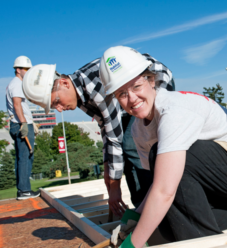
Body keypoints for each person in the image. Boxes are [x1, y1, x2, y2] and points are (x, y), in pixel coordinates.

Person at [99, 46, 227, 247]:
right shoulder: (138, 130)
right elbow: (158, 186)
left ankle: (206, 243)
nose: (132, 99)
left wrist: (132, 244)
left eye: (136, 87)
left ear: (151, 81)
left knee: (172, 163)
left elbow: (165, 189)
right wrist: (135, 220)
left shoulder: (173, 111)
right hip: (224, 185)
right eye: (122, 94)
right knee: (166, 223)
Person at [22, 52, 174, 216]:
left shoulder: (94, 86)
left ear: (64, 83)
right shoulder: (80, 96)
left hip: (156, 81)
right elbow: (105, 127)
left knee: (131, 145)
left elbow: (114, 136)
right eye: (53, 107)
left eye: (57, 101)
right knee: (125, 151)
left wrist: (115, 187)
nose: (59, 109)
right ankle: (141, 209)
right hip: (128, 97)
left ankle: (158, 208)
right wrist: (108, 168)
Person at [6, 56, 39, 200]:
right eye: (26, 69)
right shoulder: (17, 84)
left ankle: (23, 190)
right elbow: (17, 104)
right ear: (18, 70)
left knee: (23, 157)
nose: (28, 71)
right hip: (20, 124)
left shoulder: (16, 84)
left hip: (19, 122)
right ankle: (24, 190)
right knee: (25, 157)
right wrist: (24, 123)